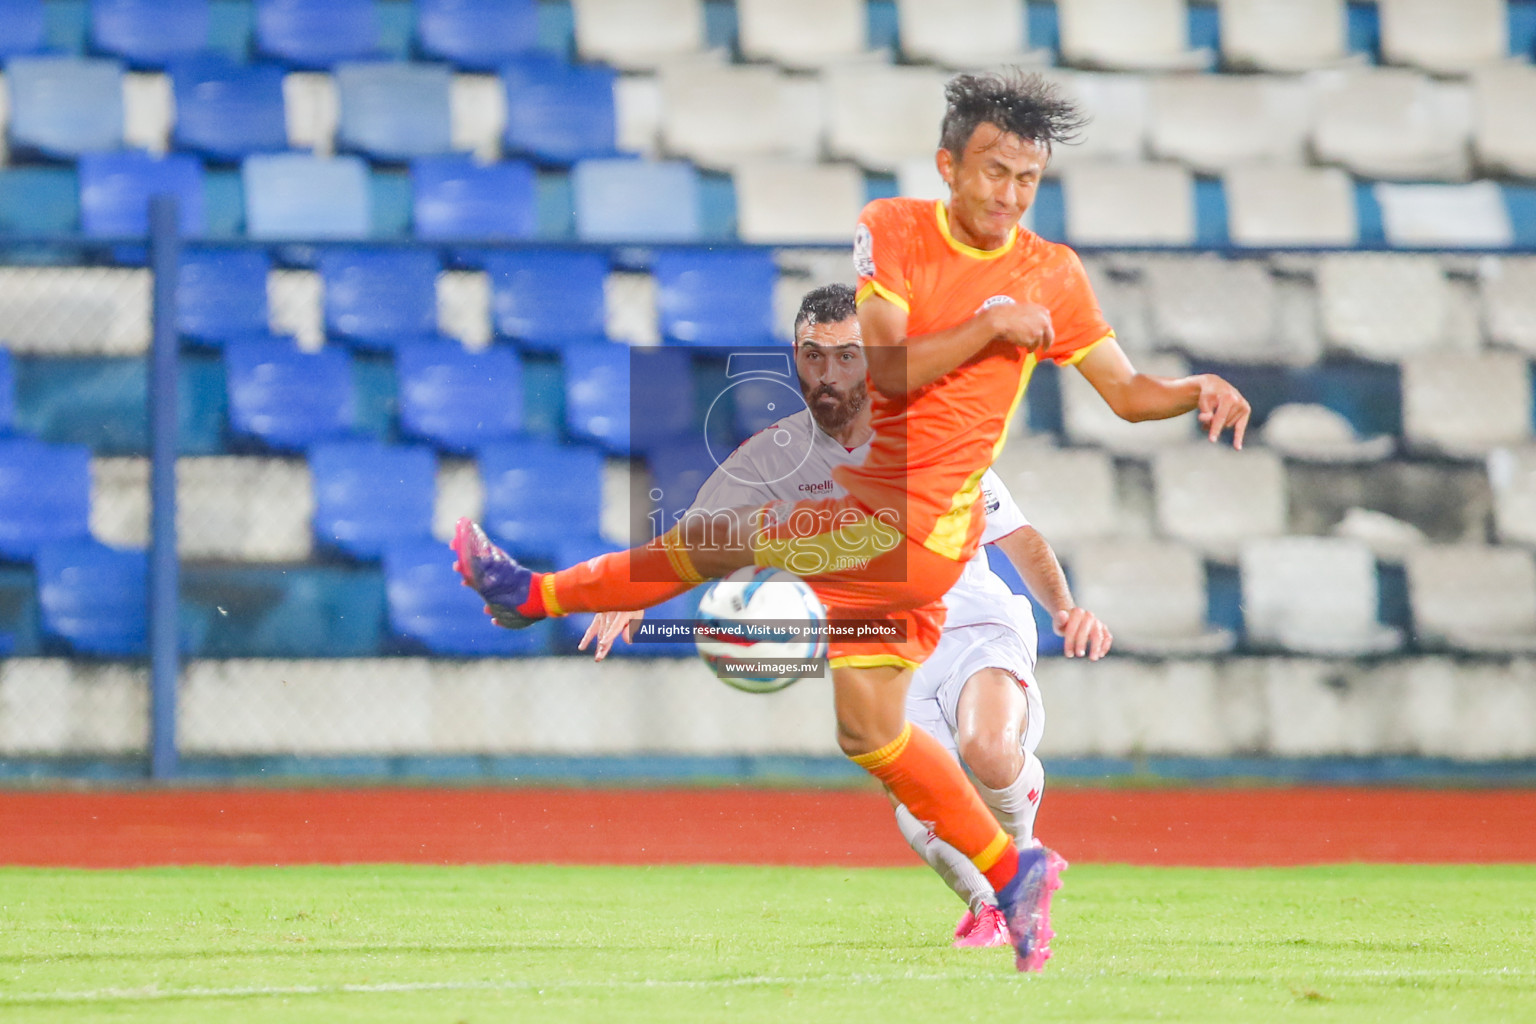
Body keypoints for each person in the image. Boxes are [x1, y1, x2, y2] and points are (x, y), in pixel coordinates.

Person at [452, 69, 1249, 973]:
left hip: (912, 535)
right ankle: (1014, 871)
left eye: (1029, 180)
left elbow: (1127, 393)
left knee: (720, 543)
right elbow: (893, 370)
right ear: (949, 165)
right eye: (994, 172)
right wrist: (991, 327)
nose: (1011, 196)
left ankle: (527, 595)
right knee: (868, 734)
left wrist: (1192, 391)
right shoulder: (893, 230)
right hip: (885, 532)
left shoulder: (1051, 276)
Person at [578, 284, 1112, 950]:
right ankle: (995, 901)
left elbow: (1018, 535)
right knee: (925, 810)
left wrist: (1063, 608)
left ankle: (1022, 858)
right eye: (813, 355)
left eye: (847, 355)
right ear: (797, 360)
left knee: (988, 750)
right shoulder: (776, 457)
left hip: (973, 626)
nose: (829, 373)